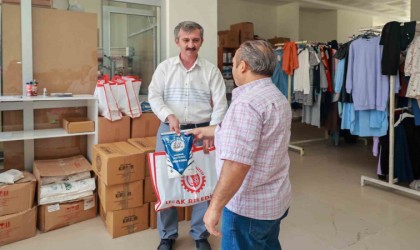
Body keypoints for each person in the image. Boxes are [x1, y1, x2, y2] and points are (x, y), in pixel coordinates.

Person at [187, 40, 292, 250]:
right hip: (274, 201)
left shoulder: (246, 104)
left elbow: (237, 164)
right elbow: (260, 139)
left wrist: (214, 207)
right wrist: (210, 131)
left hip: (247, 209)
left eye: (234, 63)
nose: (234, 67)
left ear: (243, 66)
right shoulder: (277, 97)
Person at [148, 21, 228, 250]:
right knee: (167, 184)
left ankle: (200, 235)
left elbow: (221, 103)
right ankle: (167, 235)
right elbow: (154, 96)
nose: (190, 45)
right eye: (186, 40)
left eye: (195, 40)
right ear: (177, 42)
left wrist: (212, 130)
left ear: (201, 42)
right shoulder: (165, 68)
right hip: (170, 130)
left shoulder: (211, 70)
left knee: (204, 183)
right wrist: (168, 115)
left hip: (202, 133)